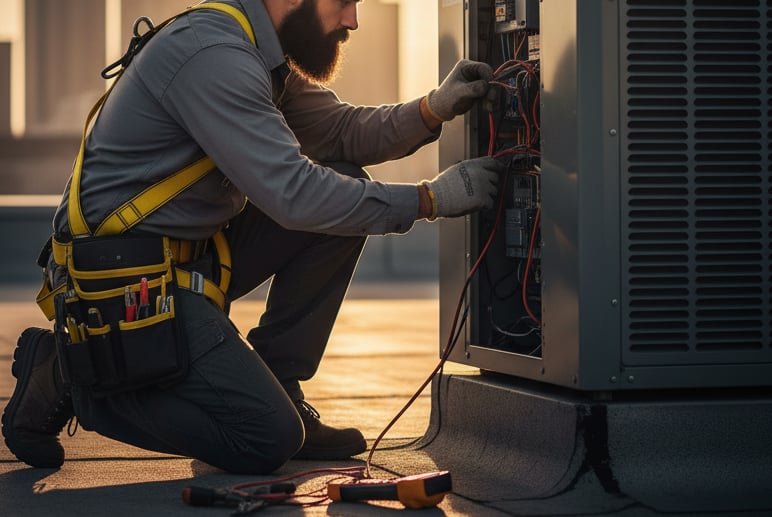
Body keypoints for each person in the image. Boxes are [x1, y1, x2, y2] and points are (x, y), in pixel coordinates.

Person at [2, 0, 502, 474]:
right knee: (265, 438)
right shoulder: (215, 55)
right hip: (125, 279)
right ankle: (68, 376)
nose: (351, 22)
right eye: (343, 2)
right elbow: (294, 194)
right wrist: (428, 200)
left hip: (183, 259)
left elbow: (339, 133)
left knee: (348, 179)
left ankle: (280, 384)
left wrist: (433, 108)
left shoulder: (259, 54)